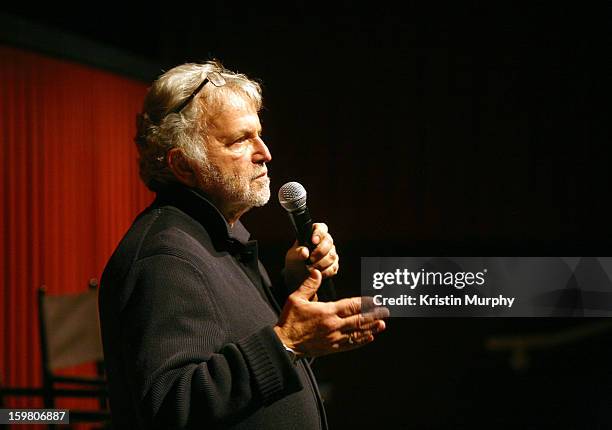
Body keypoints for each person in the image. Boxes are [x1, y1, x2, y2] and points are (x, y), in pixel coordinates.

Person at [98, 60, 389, 429]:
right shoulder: (166, 257)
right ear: (184, 165)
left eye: (259, 134)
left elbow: (238, 358)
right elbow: (170, 407)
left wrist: (290, 291)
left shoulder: (217, 241)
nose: (264, 152)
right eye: (239, 140)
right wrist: (287, 341)